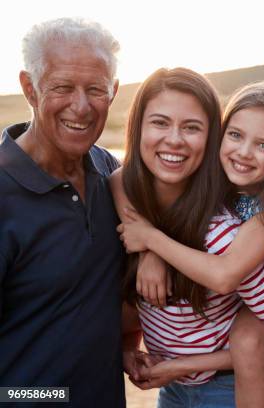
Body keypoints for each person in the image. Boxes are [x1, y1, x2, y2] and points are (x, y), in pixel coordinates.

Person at [110, 73, 264, 407]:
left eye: (191, 127)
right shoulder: (131, 200)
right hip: (175, 390)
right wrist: (149, 249)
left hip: (228, 389)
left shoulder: (232, 233)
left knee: (251, 335)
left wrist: (152, 241)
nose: (245, 152)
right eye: (160, 122)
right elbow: (120, 178)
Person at [0, 18, 124, 407]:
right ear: (30, 89)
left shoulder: (110, 172)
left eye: (96, 90)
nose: (81, 106)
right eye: (63, 87)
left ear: (114, 92)